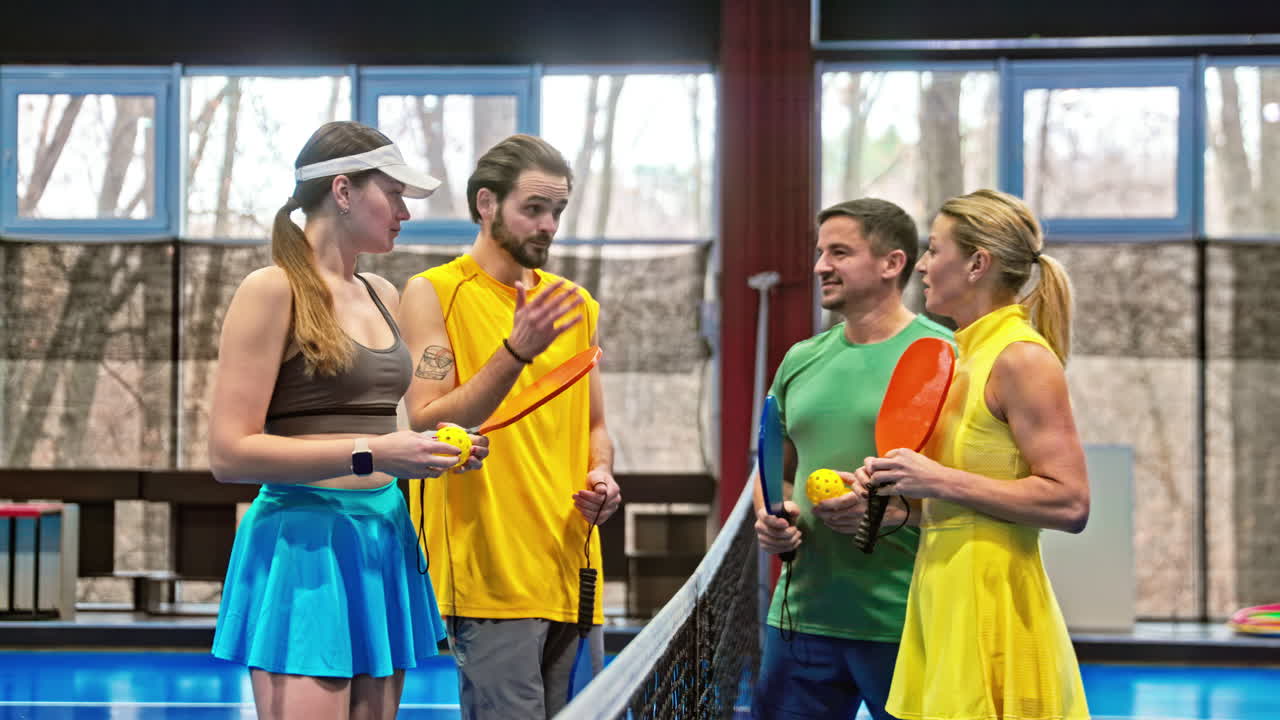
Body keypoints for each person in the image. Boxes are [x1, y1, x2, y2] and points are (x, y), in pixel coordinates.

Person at [207, 120, 488, 720]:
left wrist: (442, 446)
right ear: (342, 191)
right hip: (304, 545)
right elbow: (229, 455)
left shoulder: (384, 292)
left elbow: (405, 422)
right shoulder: (270, 290)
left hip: (382, 538)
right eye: (394, 195)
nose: (404, 215)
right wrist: (373, 452)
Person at [396, 134, 621, 719]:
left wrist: (602, 473)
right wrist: (514, 352)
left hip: (575, 567)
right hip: (489, 572)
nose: (549, 225)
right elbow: (426, 418)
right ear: (486, 204)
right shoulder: (433, 293)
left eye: (558, 211)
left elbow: (594, 423)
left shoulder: (576, 305)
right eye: (534, 208)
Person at [856, 188, 1090, 720]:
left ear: (977, 263)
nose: (922, 266)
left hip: (994, 602)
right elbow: (958, 496)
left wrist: (936, 480)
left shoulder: (1022, 359)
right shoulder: (961, 356)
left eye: (935, 251)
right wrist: (895, 500)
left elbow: (1070, 503)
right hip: (938, 592)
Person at [752, 198, 953, 720]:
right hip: (801, 617)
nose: (821, 266)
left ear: (892, 264)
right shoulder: (801, 359)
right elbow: (776, 467)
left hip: (908, 619)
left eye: (839, 252)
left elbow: (972, 486)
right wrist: (773, 515)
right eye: (821, 252)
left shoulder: (948, 356)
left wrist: (890, 509)